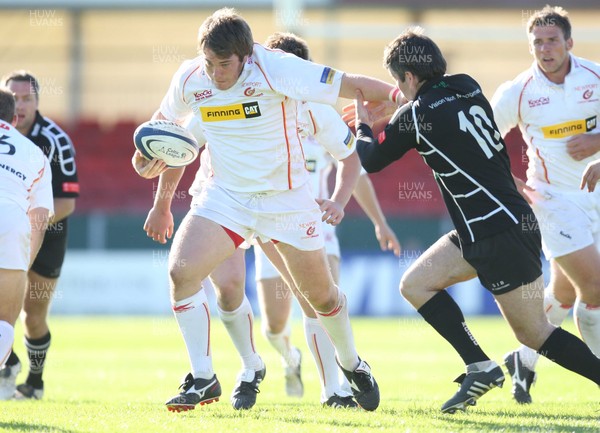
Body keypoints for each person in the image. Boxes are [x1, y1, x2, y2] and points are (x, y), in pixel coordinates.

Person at [132, 8, 400, 412]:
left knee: (322, 298)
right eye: (210, 63)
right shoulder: (191, 78)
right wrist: (144, 158)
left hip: (286, 201)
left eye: (225, 65)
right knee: (181, 273)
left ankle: (352, 364)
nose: (217, 74)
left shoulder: (277, 69)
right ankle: (204, 377)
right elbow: (164, 132)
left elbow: (351, 83)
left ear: (246, 56)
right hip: (227, 198)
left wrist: (401, 97)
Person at [352, 27, 600, 414]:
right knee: (415, 284)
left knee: (535, 334)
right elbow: (430, 104)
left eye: (397, 80)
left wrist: (363, 124)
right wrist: (400, 99)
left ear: (409, 78)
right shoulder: (467, 85)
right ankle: (480, 366)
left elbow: (370, 160)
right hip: (493, 225)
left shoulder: (417, 116)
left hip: (495, 234)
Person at [253, 32, 400, 407]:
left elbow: (355, 169)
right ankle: (290, 357)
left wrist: (375, 221)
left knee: (321, 302)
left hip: (317, 226)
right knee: (272, 326)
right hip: (268, 228)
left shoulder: (319, 112)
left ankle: (332, 387)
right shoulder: (255, 113)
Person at [490, 5, 600, 404]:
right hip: (551, 200)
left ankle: (522, 360)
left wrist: (598, 145)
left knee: (566, 294)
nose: (545, 48)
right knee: (596, 286)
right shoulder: (518, 91)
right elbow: (480, 138)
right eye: (537, 42)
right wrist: (513, 183)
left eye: (552, 40)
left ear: (569, 42)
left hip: (595, 197)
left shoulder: (595, 77)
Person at [0, 71, 79, 400]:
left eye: (27, 99)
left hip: (47, 231)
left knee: (32, 315)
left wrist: (28, 230)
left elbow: (66, 203)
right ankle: (9, 364)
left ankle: (34, 381)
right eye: (14, 98)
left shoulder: (55, 141)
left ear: (37, 102)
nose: (20, 105)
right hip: (15, 227)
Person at [0, 87, 53, 390]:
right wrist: (23, 263)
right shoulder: (34, 153)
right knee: (5, 323)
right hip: (11, 222)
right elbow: (40, 218)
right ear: (15, 117)